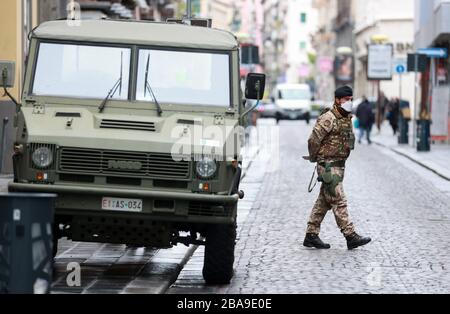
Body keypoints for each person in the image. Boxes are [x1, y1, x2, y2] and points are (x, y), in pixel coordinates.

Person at [303, 86, 371, 250]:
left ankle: (311, 235)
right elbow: (313, 140)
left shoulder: (346, 118)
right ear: (338, 100)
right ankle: (350, 235)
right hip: (328, 166)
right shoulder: (329, 118)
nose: (349, 102)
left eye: (350, 99)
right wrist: (315, 158)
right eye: (346, 99)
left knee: (324, 201)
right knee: (339, 199)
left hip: (339, 165)